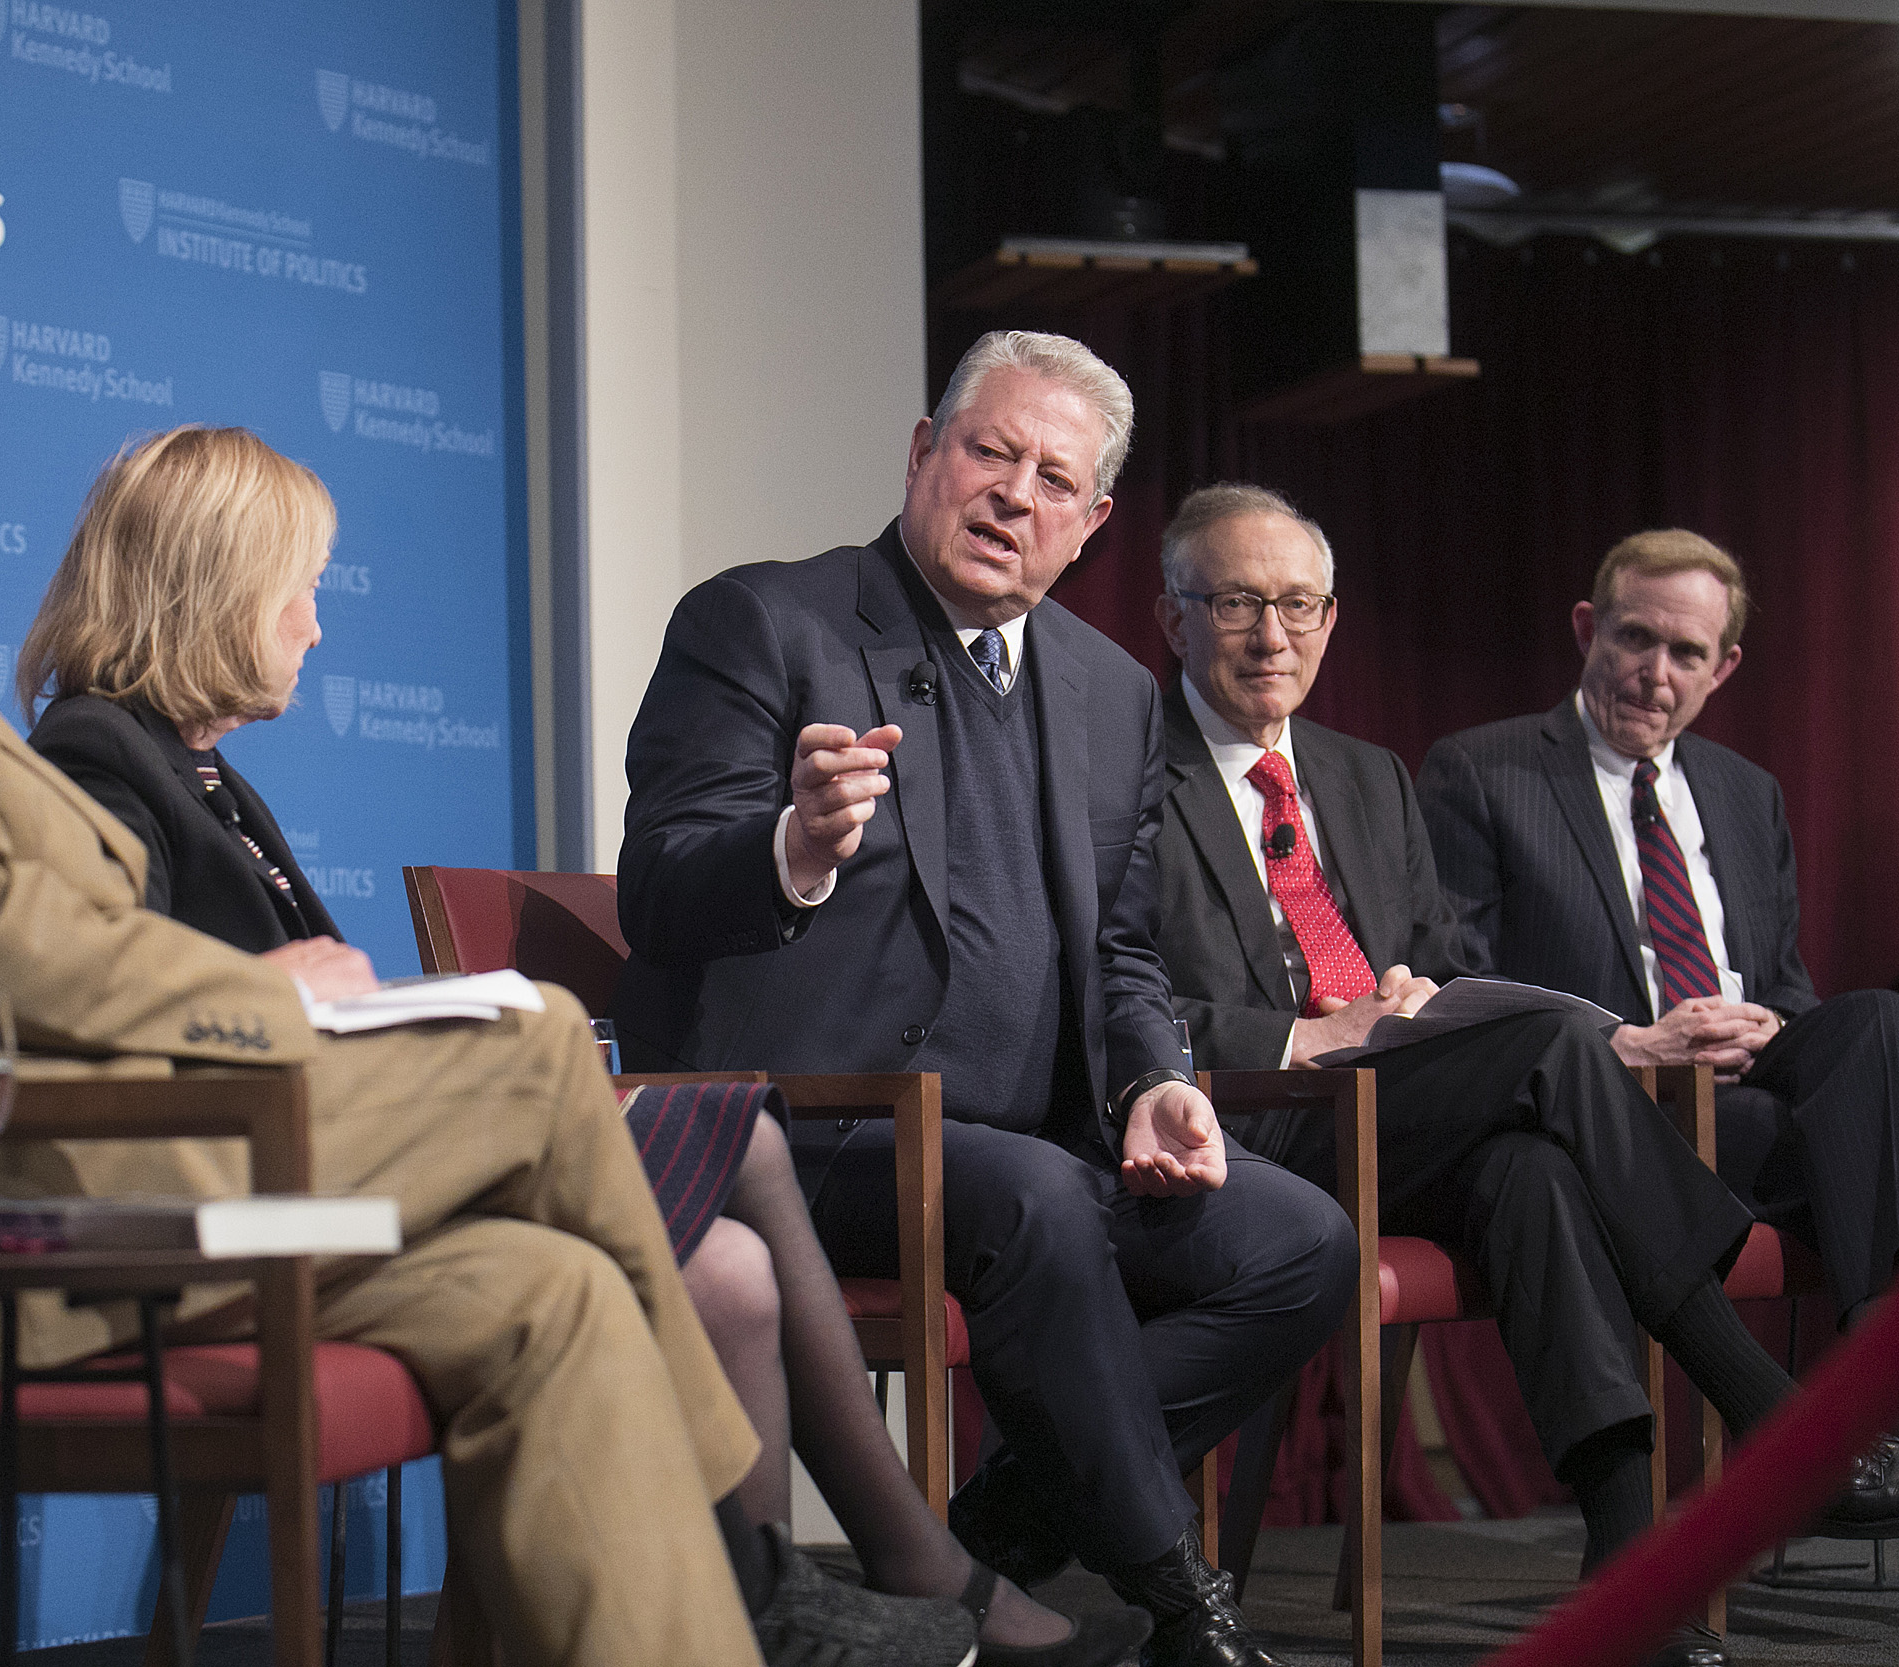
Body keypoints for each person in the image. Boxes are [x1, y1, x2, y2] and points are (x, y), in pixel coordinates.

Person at [0, 205, 972, 1667]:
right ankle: (748, 1572)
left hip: (30, 1187)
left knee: (544, 1289)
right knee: (543, 1042)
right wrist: (273, 1003)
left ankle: (730, 1595)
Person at [17, 423, 1149, 1667]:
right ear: (213, 589)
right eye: (301, 588)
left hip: (316, 1155)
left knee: (723, 1263)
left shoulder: (198, 771)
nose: (313, 626)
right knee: (740, 1138)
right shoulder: (98, 759)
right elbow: (96, 1013)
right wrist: (290, 993)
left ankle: (765, 1591)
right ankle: (845, 1570)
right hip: (240, 1189)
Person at [615, 329, 1359, 1667]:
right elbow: (662, 885)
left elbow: (1124, 946)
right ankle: (1181, 1603)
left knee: (1298, 1238)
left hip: (1045, 1143)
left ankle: (989, 1530)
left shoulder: (1111, 693)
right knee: (1036, 1195)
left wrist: (1156, 1082)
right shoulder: (767, 620)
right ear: (923, 452)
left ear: (1094, 519)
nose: (1013, 492)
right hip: (812, 1134)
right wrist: (789, 847)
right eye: (988, 452)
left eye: (1051, 476)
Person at [1144, 485, 1899, 1666]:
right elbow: (1114, 991)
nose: (1269, 634)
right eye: (1236, 602)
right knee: (1557, 1052)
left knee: (1530, 1173)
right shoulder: (1128, 773)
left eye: (1295, 604)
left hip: (1410, 1114)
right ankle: (1765, 1405)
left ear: (1332, 619)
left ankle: (1625, 1557)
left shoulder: (1363, 772)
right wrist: (1302, 1035)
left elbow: (1448, 967)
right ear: (1171, 617)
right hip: (1250, 1122)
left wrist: (1412, 999)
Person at [1416, 532, 1899, 1452]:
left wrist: (1773, 1022)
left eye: (1686, 654)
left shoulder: (1746, 792)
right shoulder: (1485, 771)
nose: (1655, 674)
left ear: (1725, 667)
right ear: (1588, 627)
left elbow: (1790, 983)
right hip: (1614, 1117)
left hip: (1752, 1099)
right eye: (1637, 638)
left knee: (1877, 1022)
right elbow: (1457, 988)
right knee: (1841, 1137)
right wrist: (1633, 1040)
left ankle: (1870, 1346)